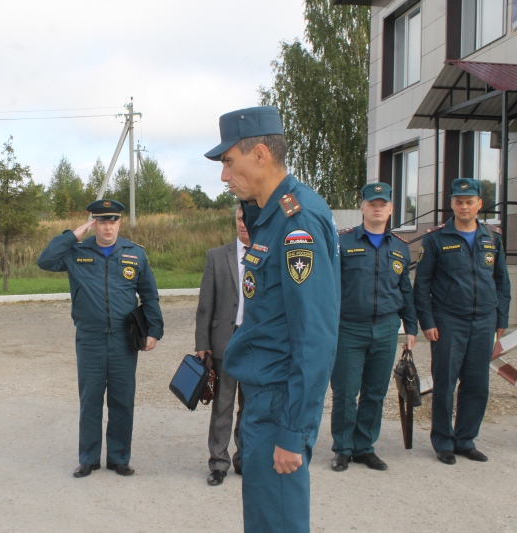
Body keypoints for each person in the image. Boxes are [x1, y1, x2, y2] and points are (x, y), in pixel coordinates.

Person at [205, 106, 340, 533]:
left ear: (260, 154)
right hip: (263, 398)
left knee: (278, 521)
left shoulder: (297, 223)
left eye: (229, 162)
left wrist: (293, 431)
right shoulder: (270, 217)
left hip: (280, 401)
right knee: (264, 519)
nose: (224, 176)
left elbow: (314, 335)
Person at [37, 199, 164, 478]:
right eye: (102, 221)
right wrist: (73, 235)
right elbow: (44, 260)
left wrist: (154, 330)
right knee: (90, 400)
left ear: (120, 222)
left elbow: (149, 294)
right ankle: (88, 458)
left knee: (122, 400)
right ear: (94, 223)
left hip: (123, 339)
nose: (108, 227)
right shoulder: (76, 252)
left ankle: (119, 458)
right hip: (90, 339)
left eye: (113, 221)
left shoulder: (134, 254)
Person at [413, 177, 510, 465]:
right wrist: (427, 321)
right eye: (459, 201)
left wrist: (500, 318)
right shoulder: (436, 239)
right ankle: (443, 442)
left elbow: (502, 281)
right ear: (452, 204)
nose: (464, 206)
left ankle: (466, 439)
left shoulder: (492, 237)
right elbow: (423, 284)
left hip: (484, 321)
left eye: (470, 201)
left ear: (480, 204)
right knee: (445, 384)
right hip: (448, 321)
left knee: (477, 383)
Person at [330, 182, 418, 473]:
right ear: (362, 207)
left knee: (375, 392)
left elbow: (406, 291)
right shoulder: (343, 243)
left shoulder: (400, 249)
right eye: (372, 203)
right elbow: (330, 288)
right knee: (345, 391)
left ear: (391, 208)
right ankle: (343, 448)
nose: (377, 208)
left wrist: (412, 329)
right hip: (349, 328)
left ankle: (364, 446)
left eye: (383, 204)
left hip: (386, 329)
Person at [194, 205, 248, 486]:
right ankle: (218, 463)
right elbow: (206, 305)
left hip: (255, 347)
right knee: (222, 406)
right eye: (240, 219)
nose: (243, 224)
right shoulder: (217, 256)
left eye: (248, 219)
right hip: (224, 344)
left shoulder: (268, 255)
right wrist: (202, 344)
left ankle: (245, 459)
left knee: (250, 408)